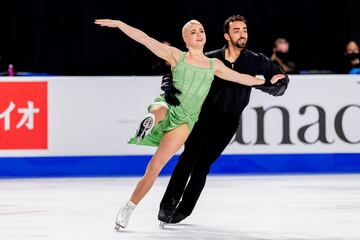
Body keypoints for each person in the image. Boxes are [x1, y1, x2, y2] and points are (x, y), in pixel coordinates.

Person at [94, 18, 284, 229]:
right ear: (185, 39)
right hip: (176, 107)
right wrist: (120, 24)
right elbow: (144, 39)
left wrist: (267, 83)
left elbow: (242, 78)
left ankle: (130, 208)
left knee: (158, 166)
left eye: (201, 30)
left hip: (188, 118)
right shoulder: (177, 55)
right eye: (193, 32)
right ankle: (151, 120)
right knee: (162, 108)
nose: (199, 34)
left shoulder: (214, 65)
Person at [158, 15, 289, 224]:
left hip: (229, 121)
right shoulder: (211, 59)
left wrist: (275, 85)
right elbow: (173, 74)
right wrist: (168, 89)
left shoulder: (256, 60)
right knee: (188, 158)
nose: (242, 34)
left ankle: (184, 209)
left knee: (203, 165)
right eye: (237, 30)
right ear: (227, 35)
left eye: (244, 30)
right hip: (203, 116)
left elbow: (282, 81)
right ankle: (167, 205)